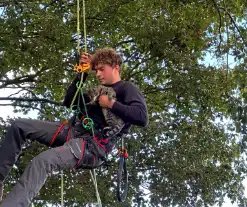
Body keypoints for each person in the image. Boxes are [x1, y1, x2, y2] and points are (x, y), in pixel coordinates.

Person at [0, 48, 148, 206]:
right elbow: (70, 101)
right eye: (95, 70)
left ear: (115, 68)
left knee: (42, 161)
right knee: (19, 126)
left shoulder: (126, 88)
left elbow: (141, 117)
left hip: (92, 146)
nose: (97, 74)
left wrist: (111, 104)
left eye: (102, 69)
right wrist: (82, 74)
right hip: (73, 131)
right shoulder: (97, 92)